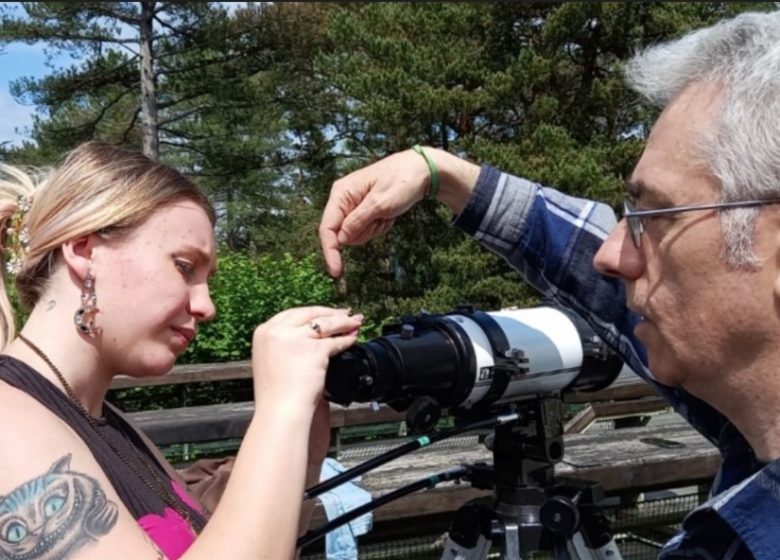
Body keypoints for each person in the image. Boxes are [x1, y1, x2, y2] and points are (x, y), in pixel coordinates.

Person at [319, 11, 780, 560]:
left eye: (651, 217)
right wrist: (443, 173)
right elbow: (594, 275)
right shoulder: (753, 437)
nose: (611, 255)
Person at [0, 140, 363, 560]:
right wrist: (280, 410)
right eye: (185, 267)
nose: (206, 306)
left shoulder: (106, 421)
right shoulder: (7, 422)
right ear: (85, 251)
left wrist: (303, 451)